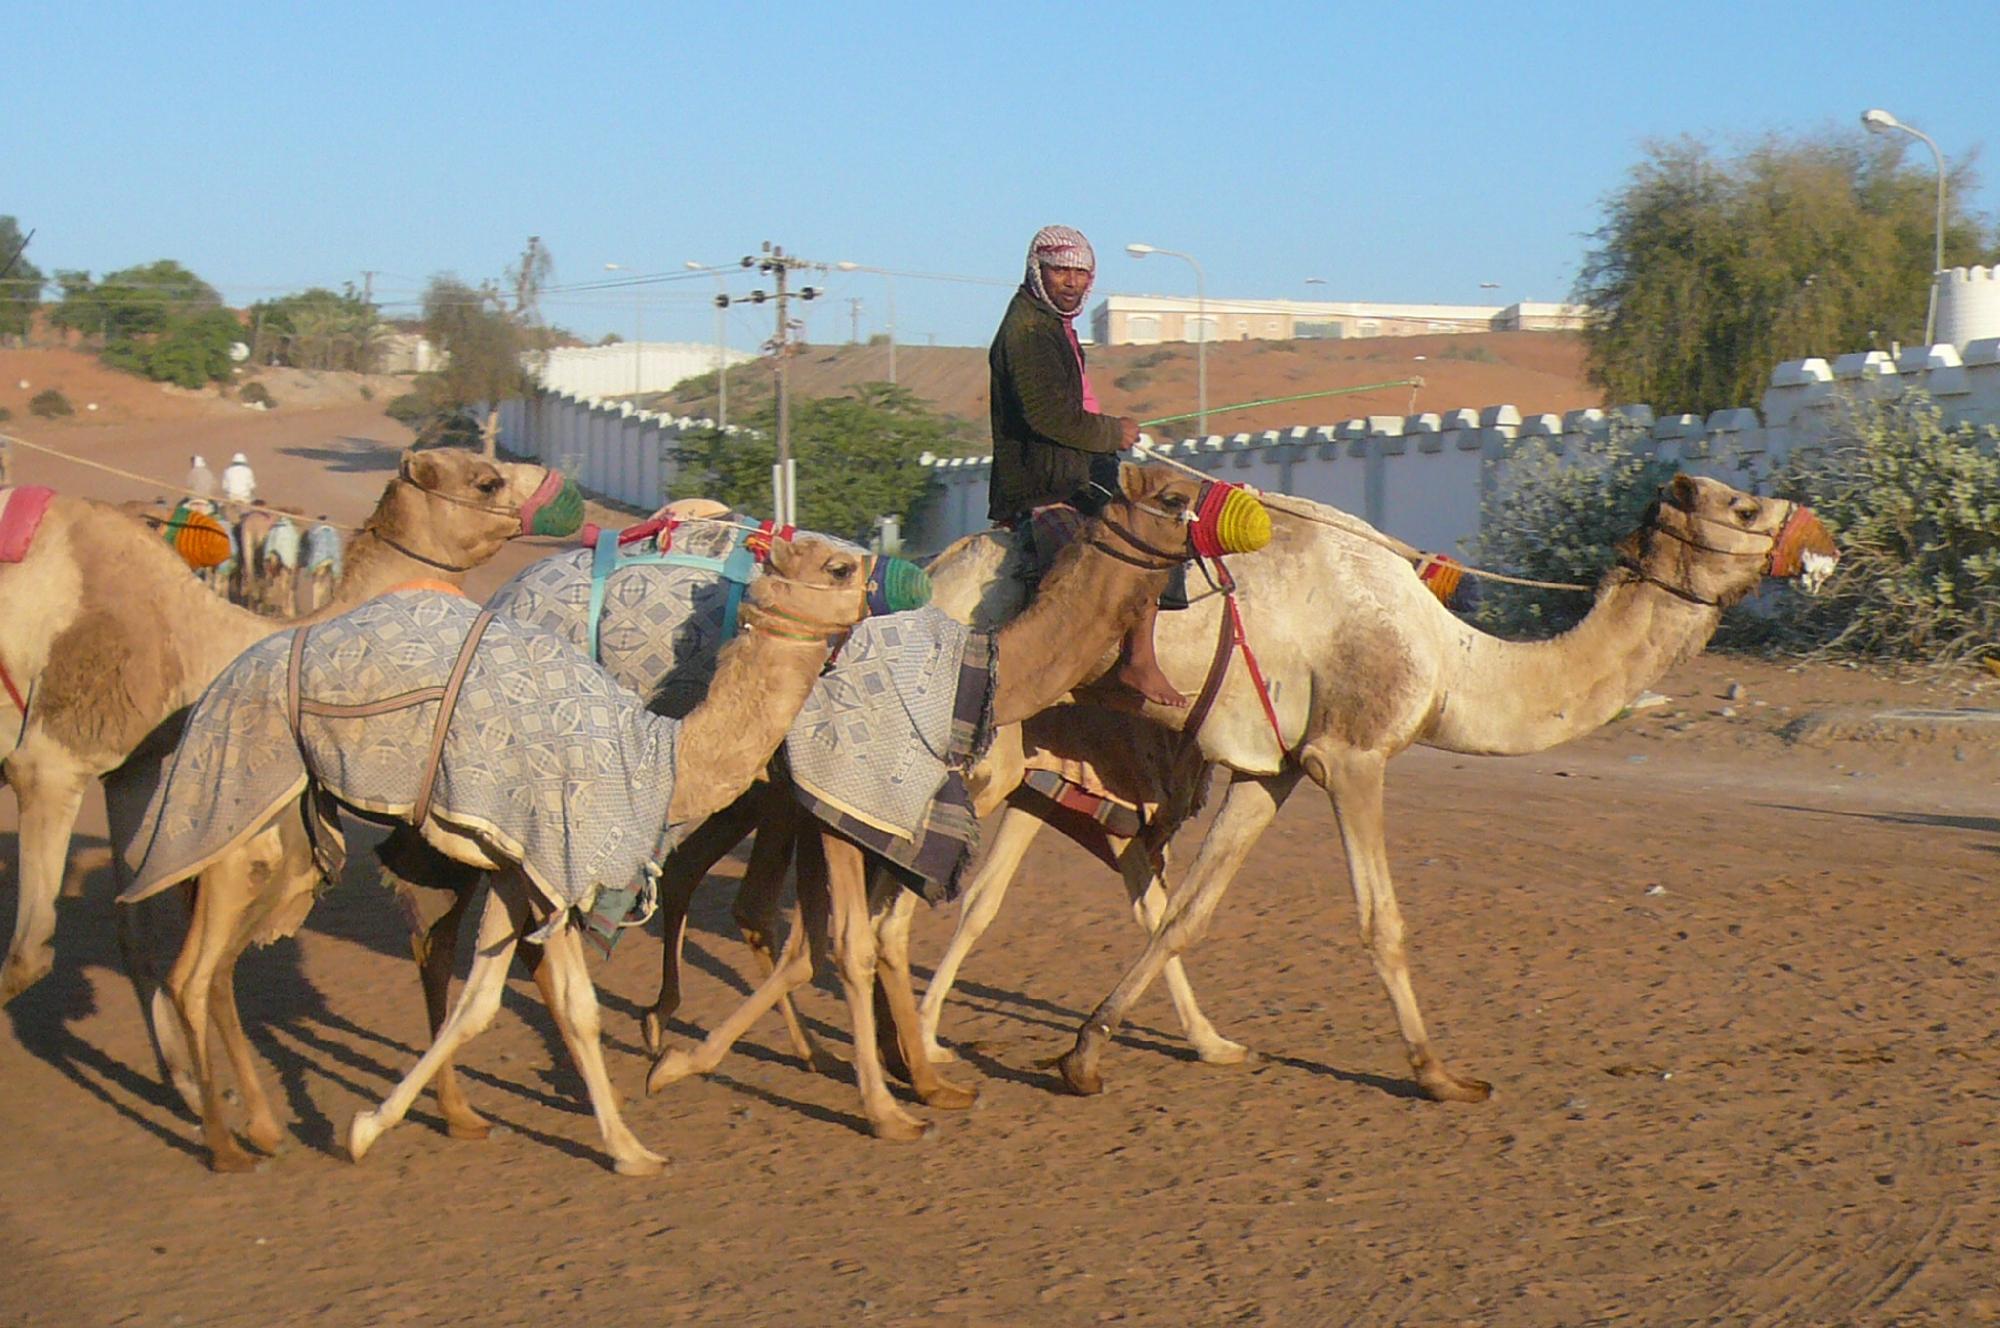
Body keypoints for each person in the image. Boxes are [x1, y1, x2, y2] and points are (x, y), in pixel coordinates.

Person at [987, 224, 1185, 706]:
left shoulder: (1050, 324)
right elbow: (1046, 416)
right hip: (1046, 478)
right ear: (1038, 271)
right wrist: (1110, 432)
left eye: (1081, 273)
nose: (1071, 282)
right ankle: (1137, 661)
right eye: (1060, 271)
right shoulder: (1028, 332)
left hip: (1071, 466)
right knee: (1140, 536)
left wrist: (1107, 435)